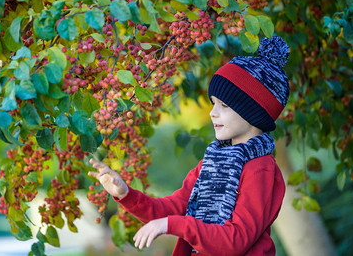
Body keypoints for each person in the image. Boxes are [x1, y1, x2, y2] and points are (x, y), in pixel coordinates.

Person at [89, 36, 290, 255]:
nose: (213, 112)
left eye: (225, 105)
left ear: (252, 113)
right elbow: (171, 208)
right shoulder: (212, 160)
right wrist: (126, 194)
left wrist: (172, 224)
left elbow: (236, 240)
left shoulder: (261, 170)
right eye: (214, 103)